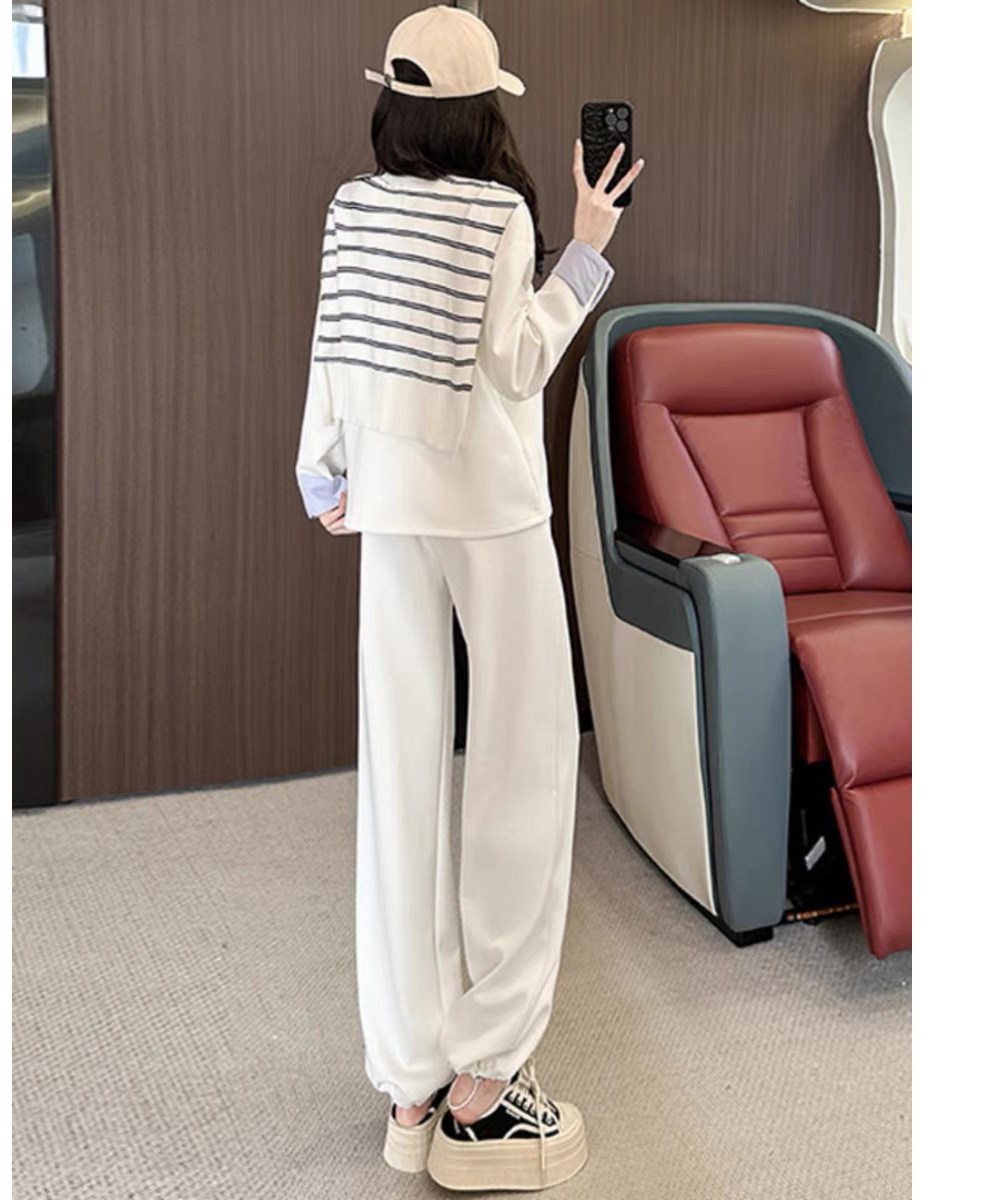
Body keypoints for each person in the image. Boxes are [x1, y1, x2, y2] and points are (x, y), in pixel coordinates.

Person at [293, 5, 643, 1192]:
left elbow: (333, 352)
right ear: (485, 111)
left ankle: (409, 1084)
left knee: (400, 776)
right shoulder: (499, 214)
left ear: (392, 104)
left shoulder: (352, 206)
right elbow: (517, 363)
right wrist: (585, 251)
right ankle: (487, 1084)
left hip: (388, 506)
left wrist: (322, 472)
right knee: (521, 766)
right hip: (491, 512)